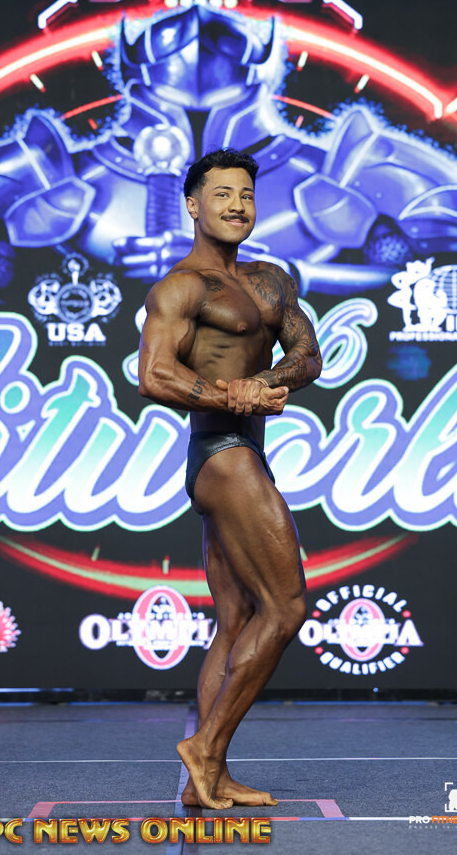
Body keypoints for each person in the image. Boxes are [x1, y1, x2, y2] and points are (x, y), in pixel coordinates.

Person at [138, 148, 322, 810]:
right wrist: (231, 396)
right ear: (193, 205)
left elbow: (307, 355)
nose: (237, 205)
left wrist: (262, 382)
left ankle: (204, 782)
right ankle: (206, 748)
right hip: (222, 455)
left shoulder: (270, 281)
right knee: (287, 606)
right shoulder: (182, 288)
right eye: (221, 194)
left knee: (238, 617)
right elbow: (154, 375)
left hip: (245, 452)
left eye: (245, 194)